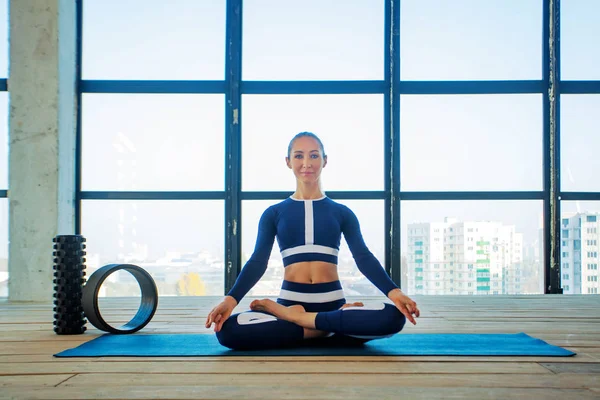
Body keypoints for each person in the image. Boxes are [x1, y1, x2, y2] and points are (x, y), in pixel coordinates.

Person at [205, 132, 420, 350]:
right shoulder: (273, 213)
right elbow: (258, 262)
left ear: (325, 160)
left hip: (331, 306)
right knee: (228, 332)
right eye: (298, 156)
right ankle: (327, 329)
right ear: (288, 162)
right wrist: (230, 301)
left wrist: (395, 293)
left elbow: (363, 258)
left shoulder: (342, 212)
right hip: (298, 303)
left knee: (393, 318)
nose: (306, 163)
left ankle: (298, 321)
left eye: (314, 156)